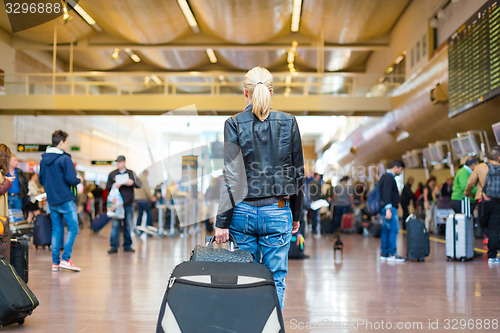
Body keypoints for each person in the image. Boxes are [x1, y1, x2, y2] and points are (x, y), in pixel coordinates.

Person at [214, 66, 304, 309]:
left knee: (245, 280)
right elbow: (298, 174)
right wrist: (295, 214)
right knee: (276, 279)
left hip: (242, 213)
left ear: (246, 93)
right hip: (277, 210)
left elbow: (232, 176)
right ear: (271, 92)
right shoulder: (289, 122)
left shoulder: (233, 123)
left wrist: (222, 221)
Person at [39, 130, 82, 272]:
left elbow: (41, 180)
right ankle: (66, 259)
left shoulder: (44, 160)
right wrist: (79, 180)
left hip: (52, 200)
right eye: (66, 142)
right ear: (62, 142)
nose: (67, 145)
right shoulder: (65, 159)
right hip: (65, 199)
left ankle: (55, 262)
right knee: (73, 227)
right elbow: (71, 179)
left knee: (56, 229)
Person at [464, 147, 500, 263]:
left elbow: (470, 182)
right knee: (494, 228)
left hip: (483, 201)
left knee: (484, 226)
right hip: (497, 203)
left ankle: (494, 244)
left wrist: (467, 193)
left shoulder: (480, 167)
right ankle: (492, 256)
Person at [106, 155, 141, 254]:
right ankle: (113, 246)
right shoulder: (112, 174)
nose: (118, 164)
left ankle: (127, 245)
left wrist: (132, 182)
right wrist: (113, 185)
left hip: (128, 204)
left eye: (120, 162)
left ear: (124, 163)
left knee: (127, 225)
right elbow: (107, 187)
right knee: (115, 225)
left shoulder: (130, 173)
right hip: (116, 205)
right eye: (117, 162)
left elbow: (139, 184)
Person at [379, 160, 406, 262]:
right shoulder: (389, 177)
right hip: (389, 209)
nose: (401, 172)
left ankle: (385, 253)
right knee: (393, 230)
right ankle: (392, 253)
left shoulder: (385, 176)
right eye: (401, 169)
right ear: (396, 167)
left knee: (386, 230)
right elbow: (387, 193)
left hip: (386, 208)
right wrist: (388, 209)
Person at [135, 170, 155, 236]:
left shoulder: (139, 178)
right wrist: (151, 197)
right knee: (149, 213)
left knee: (140, 214)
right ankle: (149, 230)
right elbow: (147, 189)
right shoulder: (144, 179)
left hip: (138, 200)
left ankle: (138, 229)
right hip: (143, 199)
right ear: (146, 173)